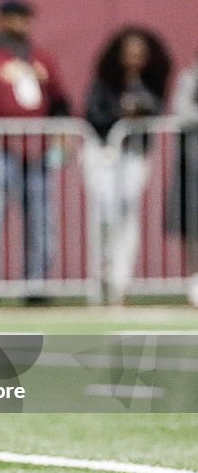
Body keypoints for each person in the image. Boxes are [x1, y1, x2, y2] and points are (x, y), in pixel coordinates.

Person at [0, 0, 71, 303]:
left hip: (36, 150)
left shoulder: (41, 59)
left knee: (41, 219)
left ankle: (36, 285)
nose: (21, 23)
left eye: (25, 17)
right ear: (1, 19)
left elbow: (60, 100)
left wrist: (60, 134)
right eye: (15, 17)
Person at [83, 27, 171, 305]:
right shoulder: (104, 83)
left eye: (140, 54)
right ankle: (101, 275)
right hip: (105, 153)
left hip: (134, 155)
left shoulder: (150, 83)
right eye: (129, 53)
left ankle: (122, 281)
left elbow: (155, 110)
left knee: (128, 216)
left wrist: (141, 107)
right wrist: (120, 113)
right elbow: (93, 113)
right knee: (104, 215)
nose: (134, 58)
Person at [166, 50, 198, 307]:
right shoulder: (190, 79)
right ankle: (196, 280)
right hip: (195, 163)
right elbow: (182, 113)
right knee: (194, 224)